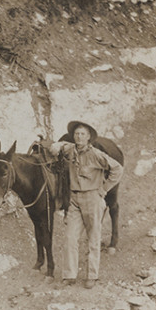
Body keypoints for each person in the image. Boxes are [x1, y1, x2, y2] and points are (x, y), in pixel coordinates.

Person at [50, 120, 124, 289]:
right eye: (76, 134)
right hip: (75, 199)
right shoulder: (70, 149)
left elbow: (118, 169)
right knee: (70, 237)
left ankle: (92, 275)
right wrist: (57, 145)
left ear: (89, 137)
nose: (79, 137)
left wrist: (104, 189)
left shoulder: (96, 154)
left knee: (93, 238)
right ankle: (69, 276)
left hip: (92, 198)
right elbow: (61, 146)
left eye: (83, 134)